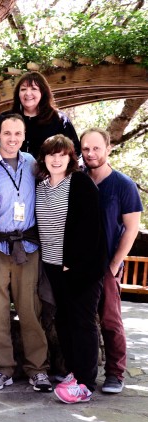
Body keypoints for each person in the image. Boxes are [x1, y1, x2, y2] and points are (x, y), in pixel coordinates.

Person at [0, 114, 52, 393]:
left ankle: (38, 369)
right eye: (7, 133)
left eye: (17, 134)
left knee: (30, 308)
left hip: (28, 247)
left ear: (23, 137)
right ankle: (3, 369)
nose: (12, 139)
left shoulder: (34, 163)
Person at [34, 134, 105, 404]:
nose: (56, 158)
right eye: (51, 154)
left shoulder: (80, 183)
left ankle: (85, 384)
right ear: (44, 157)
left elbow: (90, 229)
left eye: (62, 154)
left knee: (82, 322)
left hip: (80, 268)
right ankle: (74, 373)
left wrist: (72, 263)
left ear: (70, 158)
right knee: (63, 320)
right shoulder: (41, 187)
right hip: (52, 266)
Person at [82, 128, 143, 394]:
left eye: (96, 148)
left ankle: (115, 374)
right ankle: (80, 371)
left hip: (107, 264)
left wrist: (116, 263)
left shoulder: (123, 185)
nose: (91, 154)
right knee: (80, 320)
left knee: (110, 320)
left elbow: (131, 229)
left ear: (108, 148)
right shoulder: (77, 180)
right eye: (85, 149)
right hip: (79, 265)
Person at [7, 72, 79, 157]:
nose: (28, 93)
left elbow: (75, 152)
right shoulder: (6, 119)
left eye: (34, 88)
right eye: (23, 89)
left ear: (43, 92)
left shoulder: (59, 119)